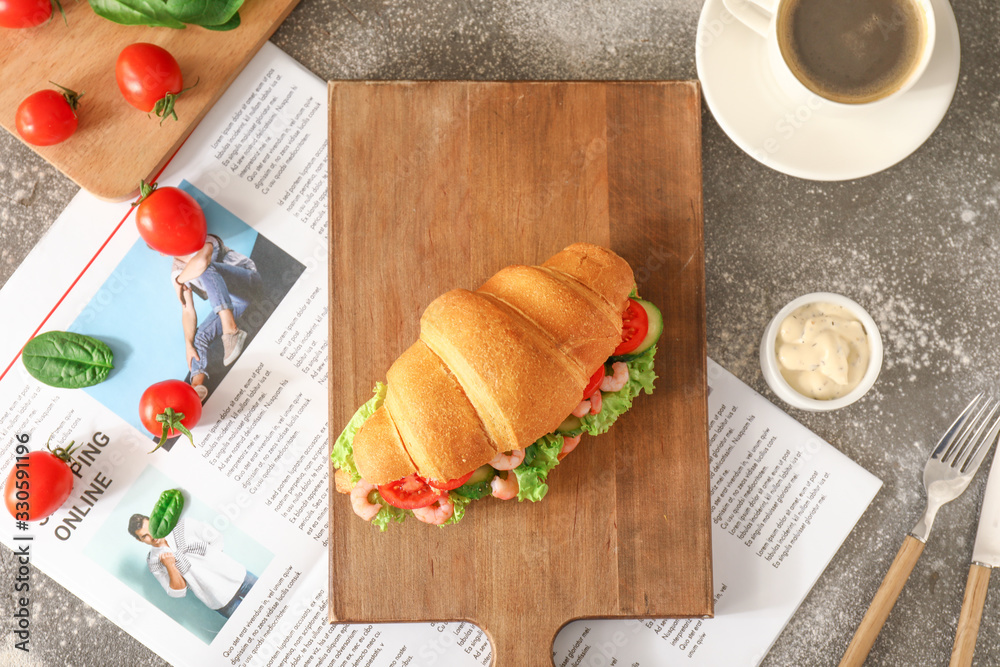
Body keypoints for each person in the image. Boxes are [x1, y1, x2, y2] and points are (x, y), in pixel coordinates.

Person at [170, 234, 262, 401]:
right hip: (233, 301)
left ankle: (231, 331)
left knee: (206, 269)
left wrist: (179, 280)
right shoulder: (176, 270)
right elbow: (188, 310)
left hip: (249, 281)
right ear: (162, 252)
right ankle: (196, 386)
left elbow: (201, 263)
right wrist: (188, 344)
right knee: (198, 337)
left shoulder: (202, 241)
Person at [128, 513, 257, 618]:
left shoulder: (182, 525)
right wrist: (170, 565)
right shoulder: (154, 561)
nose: (152, 536)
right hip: (219, 599)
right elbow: (177, 592)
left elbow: (216, 537)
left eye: (151, 528)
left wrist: (215, 562)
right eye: (145, 536)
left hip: (238, 577)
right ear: (140, 540)